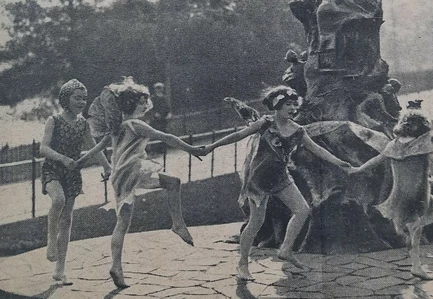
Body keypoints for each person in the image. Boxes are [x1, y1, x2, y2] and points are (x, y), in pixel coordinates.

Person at [203, 86, 352, 281]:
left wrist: (340, 162)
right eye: (287, 104)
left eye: (294, 104)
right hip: (258, 179)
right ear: (276, 106)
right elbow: (237, 136)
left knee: (303, 210)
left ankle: (286, 249)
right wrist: (211, 146)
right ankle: (242, 263)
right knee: (256, 222)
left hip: (281, 177)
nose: (292, 108)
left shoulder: (298, 131)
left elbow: (317, 149)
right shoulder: (265, 123)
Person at [81, 77, 206, 288]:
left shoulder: (117, 127)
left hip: (119, 177)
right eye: (141, 103)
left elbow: (97, 148)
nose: (145, 106)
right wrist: (192, 149)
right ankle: (177, 223)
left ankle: (116, 267)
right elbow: (165, 136)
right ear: (132, 105)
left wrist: (79, 162)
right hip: (133, 170)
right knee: (174, 182)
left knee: (122, 222)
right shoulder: (136, 124)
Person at [348, 101, 433, 280]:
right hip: (419, 193)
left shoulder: (393, 145)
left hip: (400, 193)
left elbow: (376, 160)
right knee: (431, 218)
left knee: (421, 221)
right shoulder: (422, 145)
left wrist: (358, 169)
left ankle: (414, 254)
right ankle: (416, 265)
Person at [40, 79, 111, 285]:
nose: (81, 102)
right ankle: (51, 241)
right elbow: (43, 148)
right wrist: (62, 158)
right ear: (65, 99)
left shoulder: (83, 124)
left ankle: (60, 270)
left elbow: (94, 147)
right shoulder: (54, 120)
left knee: (68, 219)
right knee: (58, 200)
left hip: (72, 174)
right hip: (53, 169)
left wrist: (106, 166)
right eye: (77, 98)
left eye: (84, 98)